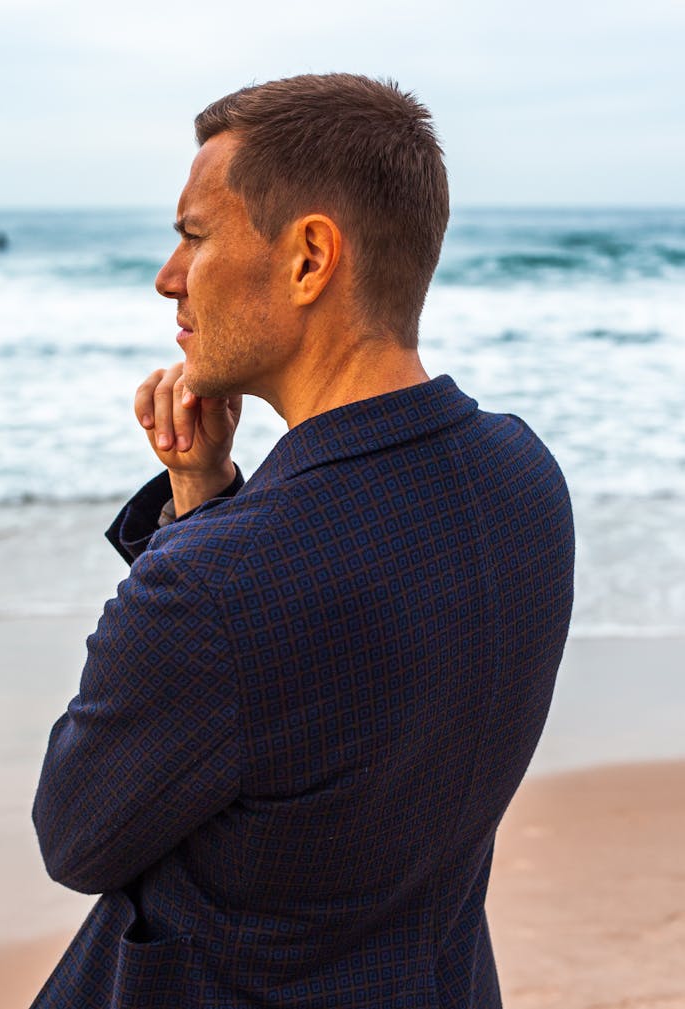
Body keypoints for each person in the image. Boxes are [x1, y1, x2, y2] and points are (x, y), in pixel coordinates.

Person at [31, 73, 574, 1009]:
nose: (169, 276)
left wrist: (193, 530)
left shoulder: (215, 587)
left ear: (311, 257)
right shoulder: (525, 478)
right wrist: (206, 495)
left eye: (194, 235)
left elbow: (75, 833)